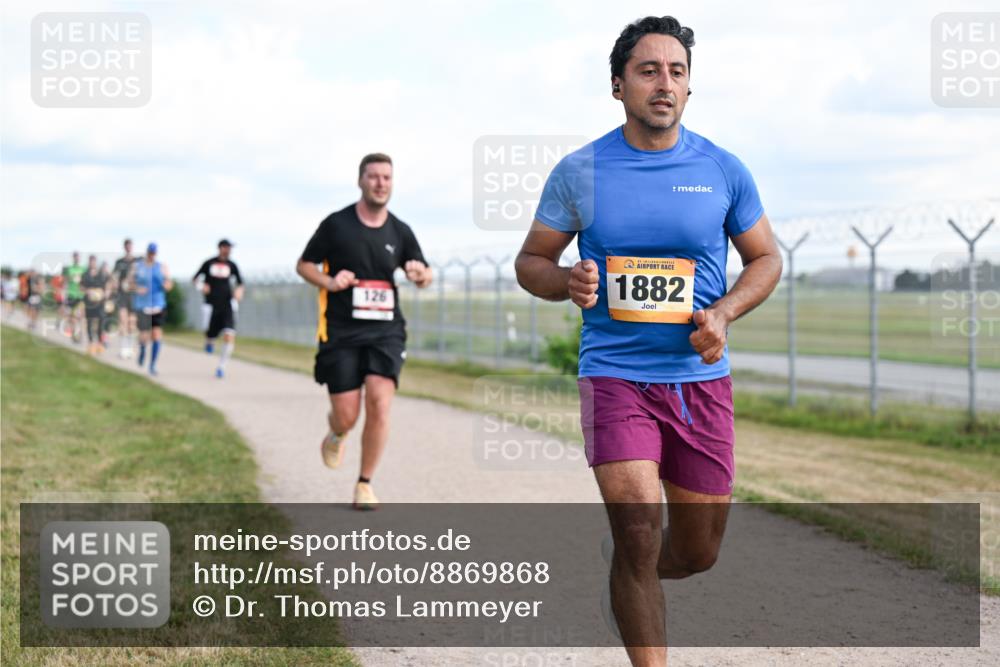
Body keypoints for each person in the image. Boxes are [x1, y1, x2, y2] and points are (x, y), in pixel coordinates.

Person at [513, 16, 782, 666]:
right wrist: (565, 279)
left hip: (698, 384)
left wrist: (723, 312)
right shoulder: (581, 170)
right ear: (618, 85)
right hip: (614, 376)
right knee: (636, 529)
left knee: (695, 552)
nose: (665, 83)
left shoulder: (722, 168)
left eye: (677, 72)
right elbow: (530, 262)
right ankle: (634, 583)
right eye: (648, 70)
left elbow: (766, 259)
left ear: (689, 89)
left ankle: (629, 574)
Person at [296, 153, 433, 510]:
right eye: (373, 177)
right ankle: (337, 431)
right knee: (347, 414)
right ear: (361, 181)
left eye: (386, 177)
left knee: (380, 403)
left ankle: (364, 483)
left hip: (386, 332)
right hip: (341, 332)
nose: (380, 183)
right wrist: (330, 280)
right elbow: (303, 264)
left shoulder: (400, 231)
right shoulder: (336, 225)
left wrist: (421, 275)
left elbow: (422, 273)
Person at [192, 239, 244, 378]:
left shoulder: (232, 265)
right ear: (221, 248)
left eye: (230, 248)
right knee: (209, 332)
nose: (229, 250)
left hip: (227, 304)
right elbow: (195, 279)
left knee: (229, 335)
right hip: (210, 304)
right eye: (227, 247)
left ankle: (221, 366)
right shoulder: (208, 263)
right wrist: (202, 286)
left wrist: (239, 292)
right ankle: (209, 340)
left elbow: (240, 283)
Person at [132, 243, 174, 376]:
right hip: (142, 305)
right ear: (147, 252)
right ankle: (143, 349)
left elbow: (169, 284)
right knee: (144, 335)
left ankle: (152, 365)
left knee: (156, 334)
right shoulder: (138, 267)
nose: (152, 255)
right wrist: (137, 288)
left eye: (154, 253)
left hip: (158, 304)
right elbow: (129, 283)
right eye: (150, 252)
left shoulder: (162, 267)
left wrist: (166, 285)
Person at [112, 239, 138, 359]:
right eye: (127, 246)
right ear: (124, 247)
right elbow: (114, 277)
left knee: (131, 323)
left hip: (133, 295)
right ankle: (123, 349)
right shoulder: (119, 262)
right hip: (122, 295)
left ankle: (130, 347)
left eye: (130, 246)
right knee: (123, 321)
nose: (129, 248)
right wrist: (116, 283)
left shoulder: (137, 261)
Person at [80, 255, 110, 355]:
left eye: (94, 261)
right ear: (89, 262)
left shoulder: (101, 274)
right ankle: (91, 343)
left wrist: (105, 293)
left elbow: (107, 285)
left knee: (101, 322)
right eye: (90, 261)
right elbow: (81, 287)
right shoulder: (85, 275)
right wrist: (88, 291)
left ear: (95, 262)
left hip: (100, 302)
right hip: (89, 302)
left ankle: (99, 344)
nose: (92, 263)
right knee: (89, 322)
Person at [63, 252, 86, 343]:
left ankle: (79, 333)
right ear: (73, 258)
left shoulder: (83, 269)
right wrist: (64, 293)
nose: (76, 259)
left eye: (78, 257)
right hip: (71, 295)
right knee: (72, 317)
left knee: (80, 316)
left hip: (80, 295)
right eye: (75, 257)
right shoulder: (69, 269)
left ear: (79, 258)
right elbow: (65, 281)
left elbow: (85, 281)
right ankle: (74, 332)